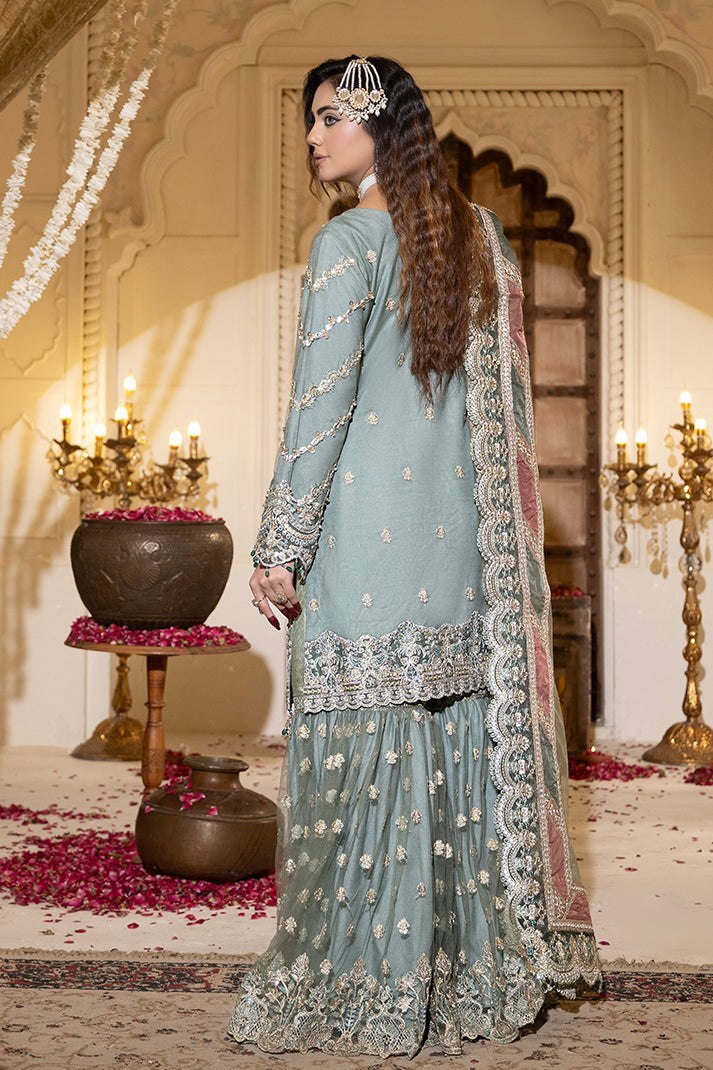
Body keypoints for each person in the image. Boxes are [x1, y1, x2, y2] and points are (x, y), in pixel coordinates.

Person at [228, 55, 600, 1058]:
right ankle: (468, 969)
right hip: (459, 554)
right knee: (447, 751)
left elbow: (320, 407)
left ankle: (364, 978)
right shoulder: (478, 238)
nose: (312, 138)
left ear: (375, 124)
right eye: (308, 122)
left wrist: (279, 547)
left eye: (327, 118)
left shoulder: (346, 241)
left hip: (364, 544)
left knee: (365, 754)